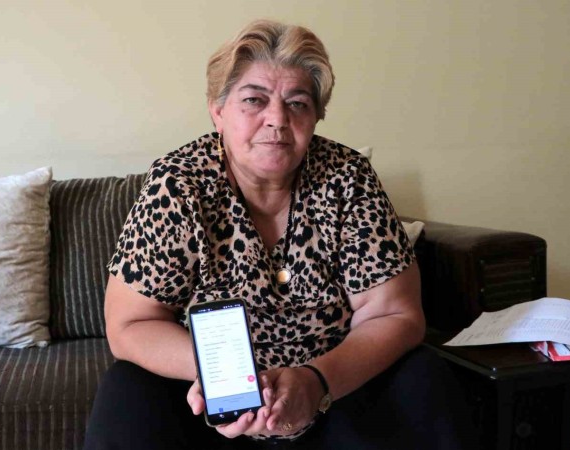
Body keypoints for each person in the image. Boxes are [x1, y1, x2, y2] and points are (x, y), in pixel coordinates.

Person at [84, 19, 478, 450]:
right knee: (126, 391)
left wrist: (316, 382)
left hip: (336, 389)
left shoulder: (348, 178)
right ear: (218, 111)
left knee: (425, 377)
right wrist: (226, 377)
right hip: (213, 399)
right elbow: (131, 323)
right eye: (254, 100)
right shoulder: (178, 184)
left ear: (316, 115)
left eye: (297, 103)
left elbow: (396, 315)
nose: (277, 119)